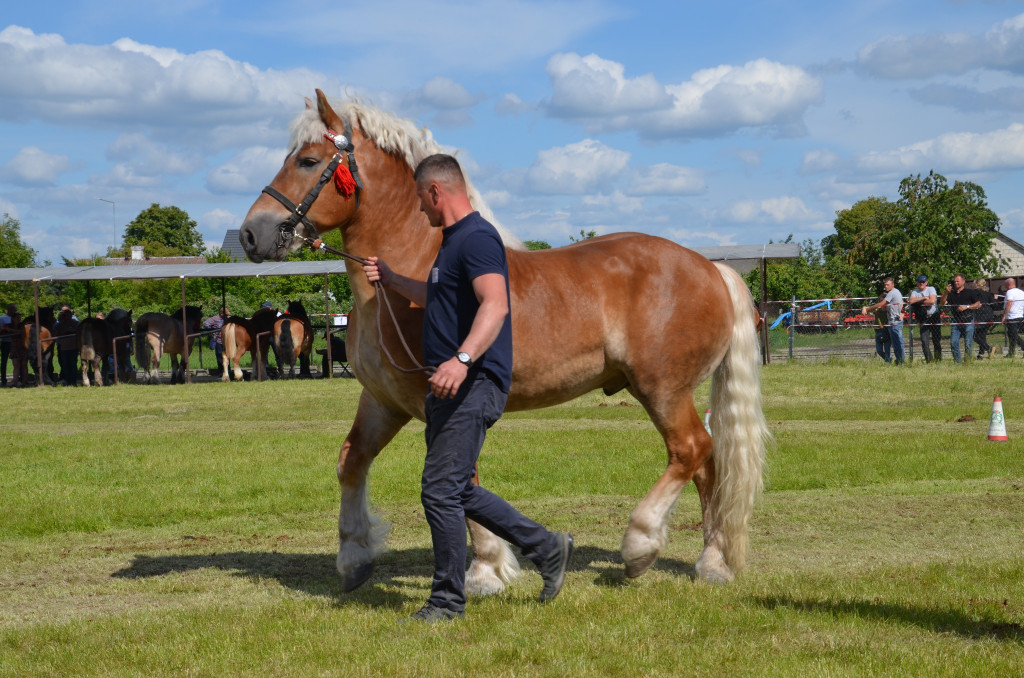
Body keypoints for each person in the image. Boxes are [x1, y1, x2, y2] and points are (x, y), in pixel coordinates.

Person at [363, 154, 572, 623]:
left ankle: (446, 601)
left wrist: (460, 360)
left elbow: (495, 306)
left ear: (436, 192)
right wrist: (393, 280)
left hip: (473, 383)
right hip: (449, 388)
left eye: (421, 199)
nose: (421, 209)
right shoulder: (452, 243)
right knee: (455, 489)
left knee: (438, 490)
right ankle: (547, 546)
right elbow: (438, 298)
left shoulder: (476, 238)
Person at [941, 274, 982, 363]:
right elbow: (942, 303)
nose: (956, 283)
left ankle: (967, 361)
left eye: (958, 281)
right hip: (957, 321)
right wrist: (946, 292)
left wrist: (966, 307)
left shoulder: (970, 292)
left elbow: (978, 304)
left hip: (968, 320)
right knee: (953, 342)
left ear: (963, 282)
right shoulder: (951, 294)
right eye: (954, 281)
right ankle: (958, 362)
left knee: (968, 343)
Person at [863, 277, 904, 364]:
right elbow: (901, 302)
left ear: (892, 284)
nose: (886, 286)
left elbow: (882, 304)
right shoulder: (897, 292)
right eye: (885, 285)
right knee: (897, 343)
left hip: (894, 322)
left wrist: (868, 309)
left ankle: (900, 361)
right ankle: (899, 361)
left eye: (887, 284)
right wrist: (900, 312)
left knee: (898, 343)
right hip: (893, 322)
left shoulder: (892, 293)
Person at [907, 274, 942, 362]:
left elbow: (932, 301)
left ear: (926, 283)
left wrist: (918, 302)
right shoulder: (914, 292)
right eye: (920, 282)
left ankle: (938, 359)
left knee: (936, 340)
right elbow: (911, 301)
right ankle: (929, 360)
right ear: (917, 283)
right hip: (923, 318)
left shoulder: (931, 289)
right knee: (924, 341)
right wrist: (923, 298)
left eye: (923, 282)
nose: (921, 283)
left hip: (934, 317)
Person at [53, 306, 80, 386]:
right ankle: (67, 381)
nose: (67, 317)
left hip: (74, 347)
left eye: (69, 315)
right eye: (66, 315)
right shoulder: (60, 324)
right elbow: (55, 332)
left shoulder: (75, 323)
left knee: (73, 364)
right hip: (64, 348)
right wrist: (63, 332)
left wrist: (70, 331)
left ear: (71, 315)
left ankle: (73, 381)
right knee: (65, 365)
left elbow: (79, 330)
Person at [972, 279, 996, 360]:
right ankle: (980, 354)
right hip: (989, 317)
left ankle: (989, 348)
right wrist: (995, 299)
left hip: (980, 316)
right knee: (982, 336)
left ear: (977, 285)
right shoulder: (989, 294)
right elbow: (994, 305)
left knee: (975, 337)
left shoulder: (975, 293)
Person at [202, 307, 229, 375]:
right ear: (221, 314)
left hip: (227, 341)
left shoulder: (227, 319)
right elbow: (205, 323)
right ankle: (221, 371)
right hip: (218, 340)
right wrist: (211, 331)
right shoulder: (215, 319)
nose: (226, 316)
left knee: (228, 356)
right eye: (225, 315)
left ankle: (228, 370)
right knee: (220, 356)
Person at [1001, 277, 1024, 357]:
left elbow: (1009, 303)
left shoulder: (1009, 292)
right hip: (1020, 316)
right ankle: (1011, 352)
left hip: (1012, 316)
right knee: (1011, 335)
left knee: (1013, 334)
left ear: (1008, 284)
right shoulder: (1021, 292)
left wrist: (1004, 315)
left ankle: (1022, 346)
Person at [8, 309, 28, 387]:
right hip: (14, 346)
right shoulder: (9, 325)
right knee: (16, 365)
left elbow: (22, 332)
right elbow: (5, 330)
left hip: (23, 346)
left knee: (24, 365)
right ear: (13, 318)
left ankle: (24, 383)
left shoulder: (22, 325)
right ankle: (15, 383)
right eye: (17, 317)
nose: (19, 319)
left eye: (19, 318)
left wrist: (12, 330)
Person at [0, 303, 15, 387]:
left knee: (17, 360)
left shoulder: (16, 317)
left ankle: (17, 378)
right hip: (6, 342)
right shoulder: (2, 318)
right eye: (14, 309)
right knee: (4, 361)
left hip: (15, 342)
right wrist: (6, 329)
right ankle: (3, 379)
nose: (15, 311)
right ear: (9, 309)